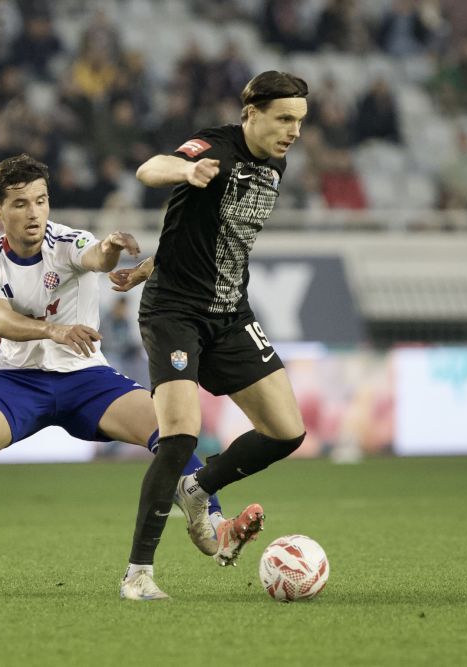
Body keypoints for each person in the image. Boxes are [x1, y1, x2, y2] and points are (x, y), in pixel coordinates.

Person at [0, 154, 240, 598]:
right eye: (21, 203)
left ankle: (213, 522)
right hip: (17, 380)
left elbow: (96, 256)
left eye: (41, 200)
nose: (34, 213)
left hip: (86, 378)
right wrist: (54, 330)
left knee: (171, 431)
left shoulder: (66, 240)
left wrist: (111, 247)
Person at [109, 71, 309, 600]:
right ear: (251, 114)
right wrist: (187, 169)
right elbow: (150, 168)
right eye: (284, 119)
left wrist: (146, 267)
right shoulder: (215, 148)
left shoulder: (276, 163)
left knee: (287, 431)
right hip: (174, 313)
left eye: (299, 121)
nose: (293, 131)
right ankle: (138, 574)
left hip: (230, 313)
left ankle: (197, 489)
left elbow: (204, 236)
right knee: (179, 437)